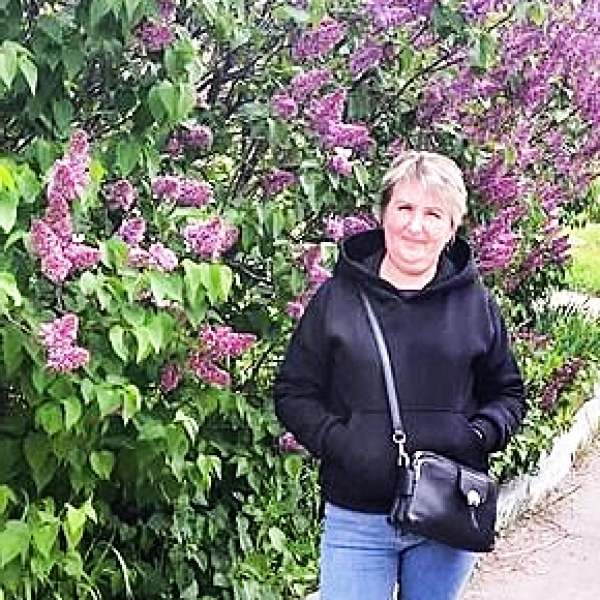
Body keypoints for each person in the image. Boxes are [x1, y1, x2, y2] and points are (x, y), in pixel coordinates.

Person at [274, 150, 525, 600]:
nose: (415, 225)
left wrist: (476, 435)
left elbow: (507, 393)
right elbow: (294, 392)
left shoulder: (476, 303)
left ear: (452, 228)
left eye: (434, 214)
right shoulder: (338, 298)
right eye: (404, 207)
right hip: (357, 515)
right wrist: (342, 443)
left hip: (446, 511)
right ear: (383, 214)